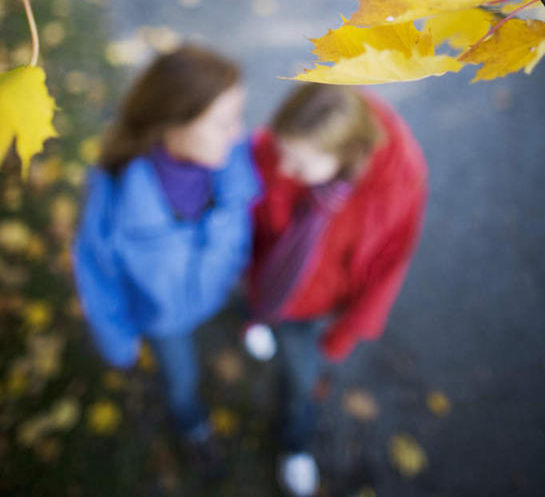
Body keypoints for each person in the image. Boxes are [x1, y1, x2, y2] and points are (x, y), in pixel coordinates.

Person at [73, 45, 258, 469]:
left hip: (214, 289)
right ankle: (193, 425)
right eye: (223, 123)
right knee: (181, 379)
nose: (238, 133)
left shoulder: (232, 161)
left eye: (238, 117)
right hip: (164, 320)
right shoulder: (115, 202)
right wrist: (119, 345)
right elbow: (99, 282)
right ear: (172, 125)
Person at [247, 83, 428, 497]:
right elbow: (250, 199)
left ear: (344, 159)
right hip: (267, 278)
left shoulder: (399, 182)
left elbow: (390, 263)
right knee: (267, 324)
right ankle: (256, 321)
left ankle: (293, 444)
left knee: (300, 380)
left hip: (313, 306)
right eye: (282, 153)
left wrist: (346, 331)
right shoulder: (282, 149)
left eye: (300, 164)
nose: (284, 169)